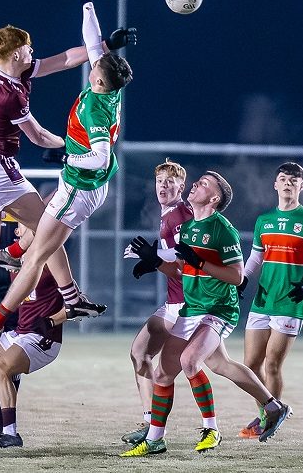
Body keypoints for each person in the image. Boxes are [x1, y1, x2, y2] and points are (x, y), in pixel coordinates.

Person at [0, 0, 137, 357]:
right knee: (44, 227)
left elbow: (62, 60)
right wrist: (69, 149)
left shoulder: (7, 72)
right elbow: (37, 136)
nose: (33, 51)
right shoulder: (12, 95)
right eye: (27, 48)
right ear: (16, 55)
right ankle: (68, 296)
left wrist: (101, 38)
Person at [121, 171, 291, 457]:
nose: (197, 184)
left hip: (219, 309)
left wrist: (200, 262)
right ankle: (155, 439)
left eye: (204, 184)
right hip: (193, 307)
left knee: (190, 360)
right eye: (198, 181)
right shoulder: (188, 229)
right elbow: (178, 269)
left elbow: (237, 277)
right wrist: (153, 263)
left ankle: (212, 429)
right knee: (166, 373)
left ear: (214, 198)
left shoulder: (223, 228)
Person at [237, 162, 303, 440]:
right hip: (263, 300)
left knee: (272, 364)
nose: (288, 183)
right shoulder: (263, 220)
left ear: (301, 186)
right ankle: (269, 410)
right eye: (283, 179)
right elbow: (256, 256)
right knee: (250, 365)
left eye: (293, 180)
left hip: (290, 303)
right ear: (275, 184)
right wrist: (242, 278)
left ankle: (270, 420)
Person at [0, 222, 67, 449]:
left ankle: (10, 433)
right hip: (20, 333)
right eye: (26, 225)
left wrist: (52, 321)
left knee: (1, 369)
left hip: (43, 338)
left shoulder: (51, 254)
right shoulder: (15, 260)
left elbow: (75, 302)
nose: (36, 226)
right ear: (18, 233)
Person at [118, 159, 194, 445]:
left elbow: (183, 265)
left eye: (170, 181)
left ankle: (269, 405)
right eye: (159, 181)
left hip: (187, 305)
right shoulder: (168, 214)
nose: (163, 185)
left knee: (201, 366)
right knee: (140, 354)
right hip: (174, 302)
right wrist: (151, 261)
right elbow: (171, 261)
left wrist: (152, 259)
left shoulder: (180, 215)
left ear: (181, 186)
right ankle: (151, 424)